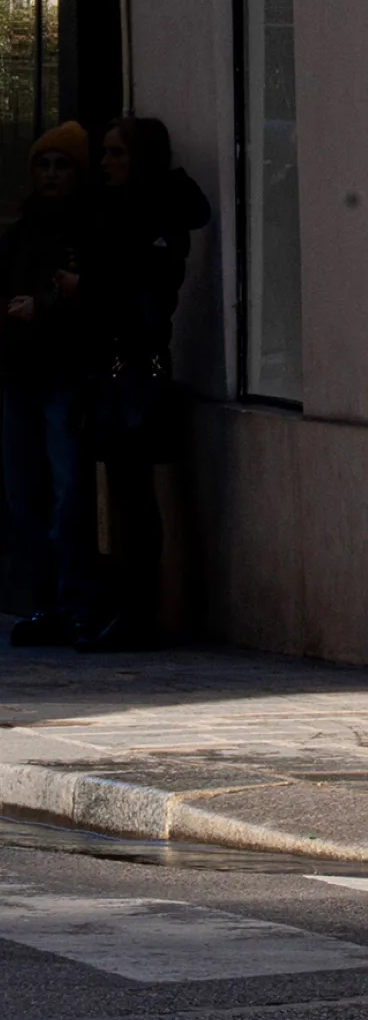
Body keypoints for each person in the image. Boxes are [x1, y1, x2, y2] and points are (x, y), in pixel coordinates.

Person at [74, 116, 209, 650]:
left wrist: (87, 286)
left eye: (116, 153)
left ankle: (139, 612)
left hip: (137, 365)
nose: (105, 163)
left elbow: (144, 287)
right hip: (110, 365)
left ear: (141, 159)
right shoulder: (117, 211)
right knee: (124, 493)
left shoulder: (156, 215)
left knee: (136, 494)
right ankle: (127, 608)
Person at [2, 123, 96, 647]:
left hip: (65, 374)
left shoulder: (87, 230)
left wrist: (45, 308)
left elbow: (97, 296)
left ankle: (75, 602)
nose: (52, 175)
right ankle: (42, 604)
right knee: (23, 497)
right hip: (20, 375)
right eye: (44, 165)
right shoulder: (20, 232)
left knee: (69, 494)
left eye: (63, 165)